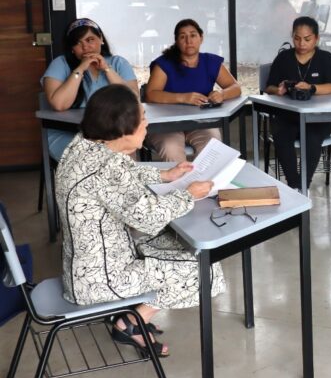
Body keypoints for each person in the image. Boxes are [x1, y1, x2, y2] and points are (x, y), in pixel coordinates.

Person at [54, 85, 226, 357]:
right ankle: (131, 322)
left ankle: (133, 316)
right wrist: (188, 194)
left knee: (187, 248)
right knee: (206, 268)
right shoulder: (105, 167)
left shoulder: (85, 146)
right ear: (123, 129)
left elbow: (125, 173)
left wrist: (165, 176)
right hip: (102, 280)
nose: (147, 125)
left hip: (87, 266)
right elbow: (149, 218)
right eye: (142, 119)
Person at [144, 19, 243, 162]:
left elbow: (235, 87)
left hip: (200, 122)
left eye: (193, 35)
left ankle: (203, 183)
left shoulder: (210, 62)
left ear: (201, 38)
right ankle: (180, 184)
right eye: (183, 37)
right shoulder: (164, 64)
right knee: (171, 150)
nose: (188, 41)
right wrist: (183, 98)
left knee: (212, 149)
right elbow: (150, 94)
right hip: (166, 125)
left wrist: (222, 94)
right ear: (176, 41)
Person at [41, 18, 138, 160]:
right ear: (72, 48)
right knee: (103, 155)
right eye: (78, 43)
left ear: (101, 40)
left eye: (90, 40)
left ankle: (126, 182)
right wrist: (80, 68)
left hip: (111, 131)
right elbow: (59, 104)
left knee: (124, 145)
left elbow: (134, 100)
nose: (85, 47)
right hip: (68, 134)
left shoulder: (118, 63)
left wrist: (106, 69)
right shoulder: (60, 64)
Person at [265, 16, 331, 189]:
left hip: (317, 117)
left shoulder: (326, 58)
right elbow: (269, 87)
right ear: (292, 37)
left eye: (307, 39)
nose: (301, 44)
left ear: (316, 38)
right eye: (297, 39)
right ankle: (294, 184)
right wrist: (279, 90)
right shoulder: (284, 57)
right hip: (287, 116)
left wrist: (311, 88)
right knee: (281, 136)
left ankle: (304, 184)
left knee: (312, 137)